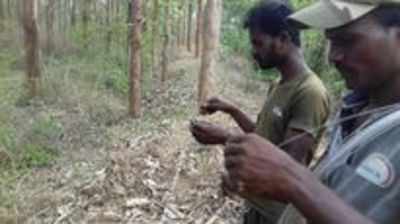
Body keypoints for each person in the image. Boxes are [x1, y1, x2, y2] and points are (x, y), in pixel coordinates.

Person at [221, 0, 400, 223]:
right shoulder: (353, 111)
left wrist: (292, 178)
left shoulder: (310, 92)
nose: (333, 56)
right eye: (332, 42)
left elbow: (292, 165)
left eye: (347, 40)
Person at [190, 1, 330, 223]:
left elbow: (289, 166)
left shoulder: (309, 92)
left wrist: (226, 137)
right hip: (257, 205)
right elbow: (263, 136)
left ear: (283, 39)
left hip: (277, 215)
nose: (254, 52)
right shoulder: (278, 84)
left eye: (258, 43)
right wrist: (231, 109)